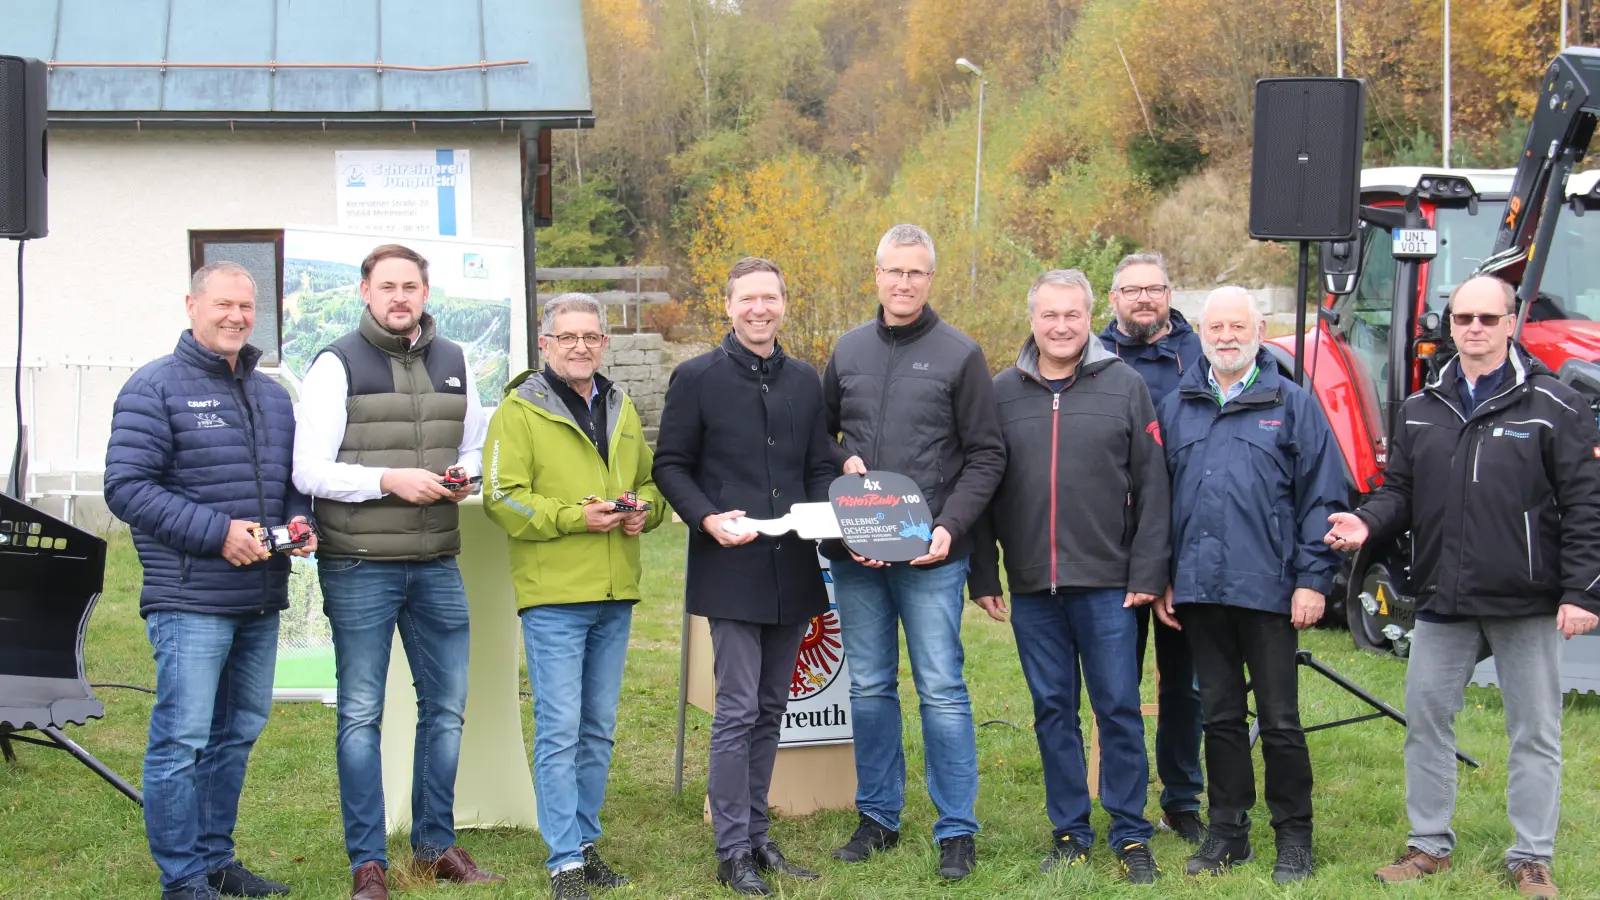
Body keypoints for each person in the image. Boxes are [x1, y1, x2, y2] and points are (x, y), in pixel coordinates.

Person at [1325, 274, 1600, 899]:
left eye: (1486, 317)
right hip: (1445, 601)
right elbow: (1400, 492)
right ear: (1450, 327)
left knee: (1534, 732)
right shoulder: (1423, 409)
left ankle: (1531, 858)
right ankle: (1428, 847)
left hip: (1526, 600)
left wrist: (1583, 593)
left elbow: (1587, 505)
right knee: (1426, 721)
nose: (1473, 328)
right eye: (1462, 318)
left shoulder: (1555, 406)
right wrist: (1364, 520)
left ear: (1511, 324)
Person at [292, 244, 501, 900]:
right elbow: (309, 470)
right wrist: (389, 480)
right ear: (364, 291)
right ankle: (367, 862)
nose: (400, 297)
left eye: (411, 285)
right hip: (359, 564)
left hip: (436, 559)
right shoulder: (335, 364)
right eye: (387, 286)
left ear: (426, 291)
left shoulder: (456, 360)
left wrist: (463, 472)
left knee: (445, 709)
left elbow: (471, 442)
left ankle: (435, 846)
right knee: (361, 714)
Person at [105, 261, 313, 900]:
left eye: (246, 308)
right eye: (223, 304)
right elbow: (127, 487)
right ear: (191, 305)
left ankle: (216, 859)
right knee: (183, 739)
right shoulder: (154, 388)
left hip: (258, 596)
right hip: (189, 596)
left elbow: (286, 486)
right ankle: (183, 879)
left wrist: (297, 521)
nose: (236, 318)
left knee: (238, 732)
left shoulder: (273, 395)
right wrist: (218, 532)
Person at [969, 270, 1171, 883]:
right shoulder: (999, 393)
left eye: (1073, 315)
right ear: (1031, 319)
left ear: (1091, 318)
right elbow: (979, 484)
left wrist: (1149, 569)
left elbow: (1154, 485)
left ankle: (1132, 835)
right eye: (1050, 315)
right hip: (1034, 587)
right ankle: (1069, 831)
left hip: (1111, 585)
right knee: (1053, 708)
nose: (1061, 326)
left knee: (1117, 709)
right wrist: (984, 572)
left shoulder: (1126, 386)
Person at [821, 224, 1007, 880]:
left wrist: (950, 527)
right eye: (893, 272)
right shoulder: (846, 352)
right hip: (859, 559)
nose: (904, 284)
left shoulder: (960, 354)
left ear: (932, 278)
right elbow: (820, 444)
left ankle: (956, 828)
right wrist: (842, 508)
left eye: (916, 273)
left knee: (942, 690)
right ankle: (878, 817)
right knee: (869, 687)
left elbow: (987, 454)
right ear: (875, 274)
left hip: (933, 557)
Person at [653, 258, 837, 895]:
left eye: (771, 298)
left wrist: (838, 510)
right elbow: (670, 465)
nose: (760, 309)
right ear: (728, 305)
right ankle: (732, 850)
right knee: (735, 709)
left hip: (791, 566)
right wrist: (705, 519)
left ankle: (758, 839)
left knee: (771, 707)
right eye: (748, 299)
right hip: (730, 564)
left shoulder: (805, 381)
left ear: (785, 303)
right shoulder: (696, 377)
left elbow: (817, 464)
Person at [1153, 286, 1344, 884]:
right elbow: (1156, 500)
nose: (1227, 336)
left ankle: (1294, 837)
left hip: (1271, 591)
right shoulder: (1176, 404)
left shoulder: (1292, 404)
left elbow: (1324, 496)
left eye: (1238, 326)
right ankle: (1228, 832)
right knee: (1220, 718)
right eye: (1217, 327)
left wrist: (1313, 580)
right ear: (1201, 334)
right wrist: (1162, 577)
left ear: (1259, 329)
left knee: (1281, 720)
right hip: (1200, 593)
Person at [482, 293, 668, 900]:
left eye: (591, 336)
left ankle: (586, 844)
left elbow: (647, 481)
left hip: (615, 592)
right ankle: (564, 862)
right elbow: (502, 498)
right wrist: (572, 517)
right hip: (555, 596)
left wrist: (648, 512)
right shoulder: (518, 411)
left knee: (598, 729)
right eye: (568, 337)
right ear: (546, 344)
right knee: (560, 729)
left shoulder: (620, 405)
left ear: (603, 343)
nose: (581, 345)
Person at [1097, 251, 1207, 844]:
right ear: (1111, 299)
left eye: (1155, 288)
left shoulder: (1201, 356)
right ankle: (1123, 800)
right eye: (1131, 290)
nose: (1144, 299)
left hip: (1186, 545)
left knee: (1184, 683)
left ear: (1169, 294)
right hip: (1110, 549)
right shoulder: (1088, 357)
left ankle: (1183, 798)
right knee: (1116, 683)